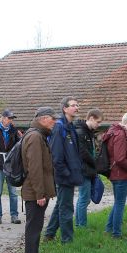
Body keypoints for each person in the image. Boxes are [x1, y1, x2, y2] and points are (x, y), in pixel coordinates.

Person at [44, 96, 83, 243]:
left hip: (70, 174)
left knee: (62, 203)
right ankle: (67, 240)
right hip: (64, 175)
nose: (76, 108)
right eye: (73, 105)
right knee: (66, 208)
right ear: (65, 108)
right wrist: (65, 173)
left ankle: (49, 234)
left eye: (77, 105)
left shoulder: (70, 126)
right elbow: (56, 155)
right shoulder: (59, 127)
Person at [21, 107, 57, 253]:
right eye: (52, 118)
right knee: (33, 228)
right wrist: (40, 194)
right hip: (35, 192)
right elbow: (34, 168)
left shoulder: (39, 135)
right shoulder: (35, 137)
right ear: (43, 119)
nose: (55, 122)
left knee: (36, 226)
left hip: (36, 191)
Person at [103, 111, 127, 238]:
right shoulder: (121, 135)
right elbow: (119, 158)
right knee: (120, 204)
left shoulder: (115, 132)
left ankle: (109, 228)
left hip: (116, 173)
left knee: (118, 202)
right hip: (120, 173)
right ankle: (116, 233)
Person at [74, 108, 103, 227]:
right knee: (84, 198)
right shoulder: (81, 132)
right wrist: (95, 163)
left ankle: (78, 223)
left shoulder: (88, 132)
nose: (99, 125)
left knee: (84, 198)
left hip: (88, 169)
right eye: (98, 122)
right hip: (83, 170)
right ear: (91, 118)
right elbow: (83, 153)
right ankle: (81, 225)